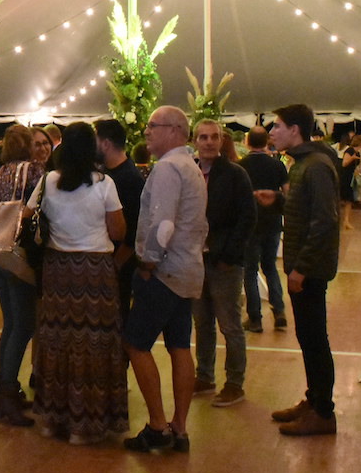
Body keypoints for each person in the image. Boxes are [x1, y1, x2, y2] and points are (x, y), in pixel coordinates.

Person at [25, 122, 127, 445]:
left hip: (57, 269)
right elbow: (119, 231)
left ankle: (52, 418)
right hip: (95, 271)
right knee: (93, 344)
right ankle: (85, 425)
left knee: (57, 341)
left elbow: (27, 216)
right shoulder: (104, 184)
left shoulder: (48, 181)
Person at [122, 107, 204, 453]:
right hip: (187, 268)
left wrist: (147, 263)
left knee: (135, 343)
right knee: (179, 346)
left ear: (174, 130)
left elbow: (162, 224)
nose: (147, 131)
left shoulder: (168, 168)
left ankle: (157, 426)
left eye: (152, 126)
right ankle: (180, 428)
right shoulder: (191, 166)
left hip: (165, 271)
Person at [268, 104, 340, 437]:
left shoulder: (316, 166)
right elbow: (305, 210)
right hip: (303, 265)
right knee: (307, 337)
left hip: (309, 268)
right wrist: (278, 201)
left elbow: (324, 221)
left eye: (277, 126)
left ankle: (323, 412)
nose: (272, 132)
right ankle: (314, 400)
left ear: (295, 130)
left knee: (314, 339)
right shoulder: (303, 164)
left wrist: (302, 268)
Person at [191, 120, 255, 409]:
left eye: (214, 137)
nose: (208, 142)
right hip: (196, 260)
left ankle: (234, 383)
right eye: (203, 137)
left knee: (230, 325)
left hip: (224, 262)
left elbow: (247, 217)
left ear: (221, 140)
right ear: (194, 141)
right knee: (202, 322)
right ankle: (204, 376)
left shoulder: (235, 174)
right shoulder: (190, 172)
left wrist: (230, 256)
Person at [0, 125, 45, 426]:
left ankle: (4, 389)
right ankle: (7, 392)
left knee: (10, 324)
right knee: (24, 325)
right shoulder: (34, 173)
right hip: (19, 252)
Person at [238, 126, 288, 334]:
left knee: (250, 271)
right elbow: (287, 193)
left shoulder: (241, 166)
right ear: (267, 142)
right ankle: (279, 311)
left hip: (250, 224)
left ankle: (255, 318)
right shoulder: (277, 165)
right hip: (273, 222)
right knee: (270, 267)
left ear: (248, 142)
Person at [94, 118, 144, 323]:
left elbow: (135, 230)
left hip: (119, 265)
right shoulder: (106, 173)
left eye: (95, 140)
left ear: (106, 143)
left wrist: (115, 265)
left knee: (116, 320)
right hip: (107, 262)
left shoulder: (129, 178)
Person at [338, 134, 361, 231]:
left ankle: (346, 221)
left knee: (349, 200)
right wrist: (352, 158)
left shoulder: (358, 153)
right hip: (345, 177)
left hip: (351, 177)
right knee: (342, 198)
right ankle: (340, 220)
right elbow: (344, 163)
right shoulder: (350, 150)